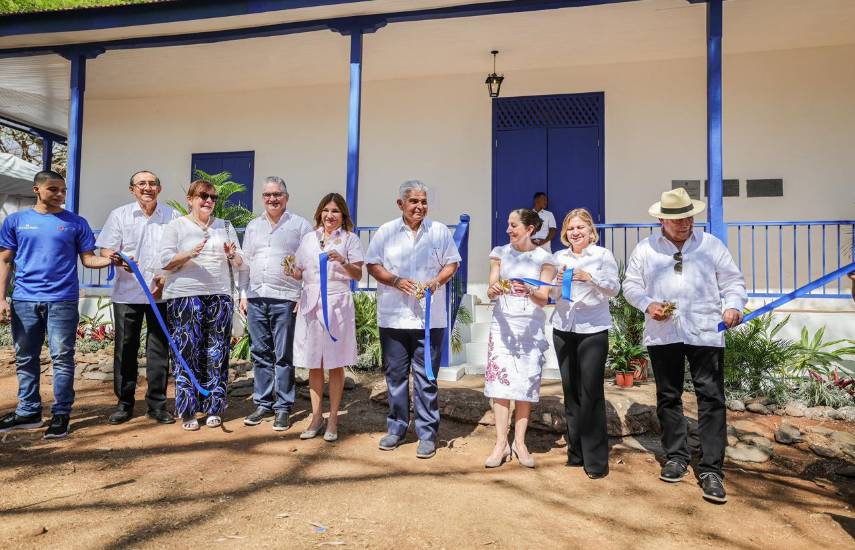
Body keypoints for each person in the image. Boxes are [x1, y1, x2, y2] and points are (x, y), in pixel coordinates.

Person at [623, 187, 746, 504]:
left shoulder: (710, 245)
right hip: (664, 333)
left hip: (705, 331)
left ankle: (711, 469)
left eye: (689, 216)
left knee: (711, 397)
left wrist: (733, 305)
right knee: (668, 396)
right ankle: (676, 457)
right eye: (677, 218)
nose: (684, 223)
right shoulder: (646, 249)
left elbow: (732, 280)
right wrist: (648, 304)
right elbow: (631, 286)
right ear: (662, 219)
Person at [0, 170, 113, 439]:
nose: (60, 194)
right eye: (53, 189)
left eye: (63, 189)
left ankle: (61, 413)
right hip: (25, 299)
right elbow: (5, 261)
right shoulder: (16, 221)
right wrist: (1, 297)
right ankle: (28, 411)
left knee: (62, 357)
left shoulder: (76, 223)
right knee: (26, 357)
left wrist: (112, 260)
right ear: (37, 190)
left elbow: (89, 259)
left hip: (62, 300)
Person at [366, 180, 460, 459]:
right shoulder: (385, 232)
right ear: (400, 204)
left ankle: (427, 433)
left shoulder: (439, 231)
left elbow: (452, 263)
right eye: (414, 202)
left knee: (426, 378)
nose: (420, 207)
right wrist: (395, 281)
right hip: (394, 317)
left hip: (429, 320)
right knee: (395, 377)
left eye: (424, 202)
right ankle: (396, 428)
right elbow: (372, 264)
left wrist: (436, 282)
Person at [97, 170, 180, 425]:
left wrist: (166, 277)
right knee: (125, 349)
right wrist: (118, 259)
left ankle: (157, 404)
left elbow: (179, 252)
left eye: (152, 183)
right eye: (141, 183)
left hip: (161, 295)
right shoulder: (119, 215)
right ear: (132, 189)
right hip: (127, 294)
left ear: (160, 188)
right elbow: (106, 249)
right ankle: (124, 403)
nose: (147, 187)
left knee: (158, 350)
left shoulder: (173, 216)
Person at [160, 179, 244, 431]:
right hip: (185, 295)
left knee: (216, 352)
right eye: (203, 196)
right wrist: (189, 254)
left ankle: (214, 407)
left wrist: (231, 255)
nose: (209, 201)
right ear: (190, 199)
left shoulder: (225, 227)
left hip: (218, 295)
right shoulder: (177, 226)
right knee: (186, 352)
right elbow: (164, 260)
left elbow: (240, 260)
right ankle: (187, 410)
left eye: (213, 197)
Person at [484, 208, 556, 469]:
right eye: (507, 224)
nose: (508, 230)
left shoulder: (544, 259)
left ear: (529, 229)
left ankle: (520, 443)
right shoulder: (499, 253)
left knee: (525, 384)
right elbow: (491, 288)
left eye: (513, 225)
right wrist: (494, 288)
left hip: (530, 327)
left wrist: (529, 289)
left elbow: (544, 298)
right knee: (500, 386)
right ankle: (500, 443)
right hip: (502, 325)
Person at [238, 177, 312, 431]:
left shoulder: (300, 226)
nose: (273, 199)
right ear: (262, 198)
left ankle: (283, 406)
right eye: (268, 195)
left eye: (277, 194)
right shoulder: (253, 226)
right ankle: (262, 403)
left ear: (286, 197)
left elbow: (309, 263)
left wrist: (302, 295)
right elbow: (246, 261)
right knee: (260, 353)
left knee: (283, 355)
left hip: (286, 298)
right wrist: (243, 294)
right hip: (257, 296)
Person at [550, 208, 619, 479]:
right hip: (563, 328)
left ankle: (596, 461)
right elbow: (553, 295)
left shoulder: (602, 256)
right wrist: (555, 284)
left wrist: (591, 278)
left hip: (593, 330)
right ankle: (575, 454)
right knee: (571, 393)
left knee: (591, 393)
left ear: (591, 231)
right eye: (570, 228)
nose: (575, 232)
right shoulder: (558, 258)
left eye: (580, 228)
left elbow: (614, 288)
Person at [290, 193, 363, 442]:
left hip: (337, 304)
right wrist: (292, 271)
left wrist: (343, 260)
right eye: (326, 210)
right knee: (314, 362)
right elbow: (300, 272)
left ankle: (333, 417)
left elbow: (358, 275)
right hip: (311, 303)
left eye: (335, 211)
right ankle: (316, 416)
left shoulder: (350, 240)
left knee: (335, 362)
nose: (330, 215)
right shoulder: (309, 239)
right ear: (319, 213)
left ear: (343, 215)